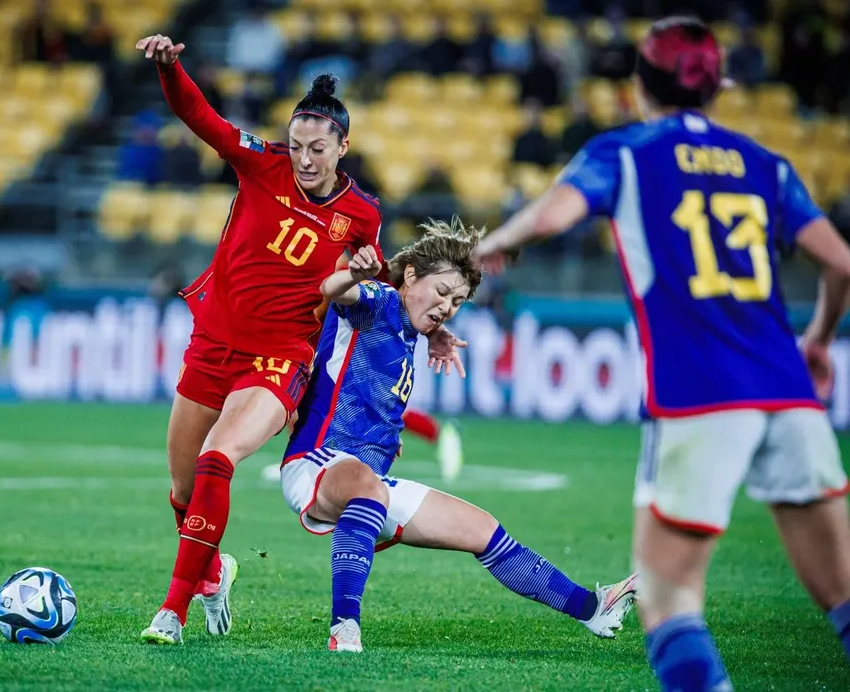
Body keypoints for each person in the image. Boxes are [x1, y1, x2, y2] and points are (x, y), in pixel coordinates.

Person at [474, 17, 850, 691]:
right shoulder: (765, 164)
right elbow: (841, 263)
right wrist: (819, 338)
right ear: (719, 89)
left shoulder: (624, 152)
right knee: (841, 596)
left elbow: (554, 216)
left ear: (638, 86)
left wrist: (498, 243)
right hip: (790, 393)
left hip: (700, 393)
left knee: (670, 605)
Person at [132, 35, 465, 645]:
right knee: (183, 490)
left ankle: (170, 613)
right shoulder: (261, 164)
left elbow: (389, 281)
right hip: (213, 343)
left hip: (280, 356)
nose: (304, 160)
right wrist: (170, 69)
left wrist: (437, 324)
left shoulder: (362, 213)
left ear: (343, 146)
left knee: (218, 459)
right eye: (296, 147)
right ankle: (212, 572)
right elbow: (196, 116)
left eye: (317, 149)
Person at [281, 219, 637, 651]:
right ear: (410, 275)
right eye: (442, 292)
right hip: (316, 460)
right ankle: (344, 630)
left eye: (458, 302)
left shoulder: (411, 330)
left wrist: (430, 331)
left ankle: (592, 607)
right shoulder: (376, 301)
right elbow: (333, 290)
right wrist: (357, 274)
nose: (447, 307)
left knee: (483, 530)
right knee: (367, 489)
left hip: (366, 482)